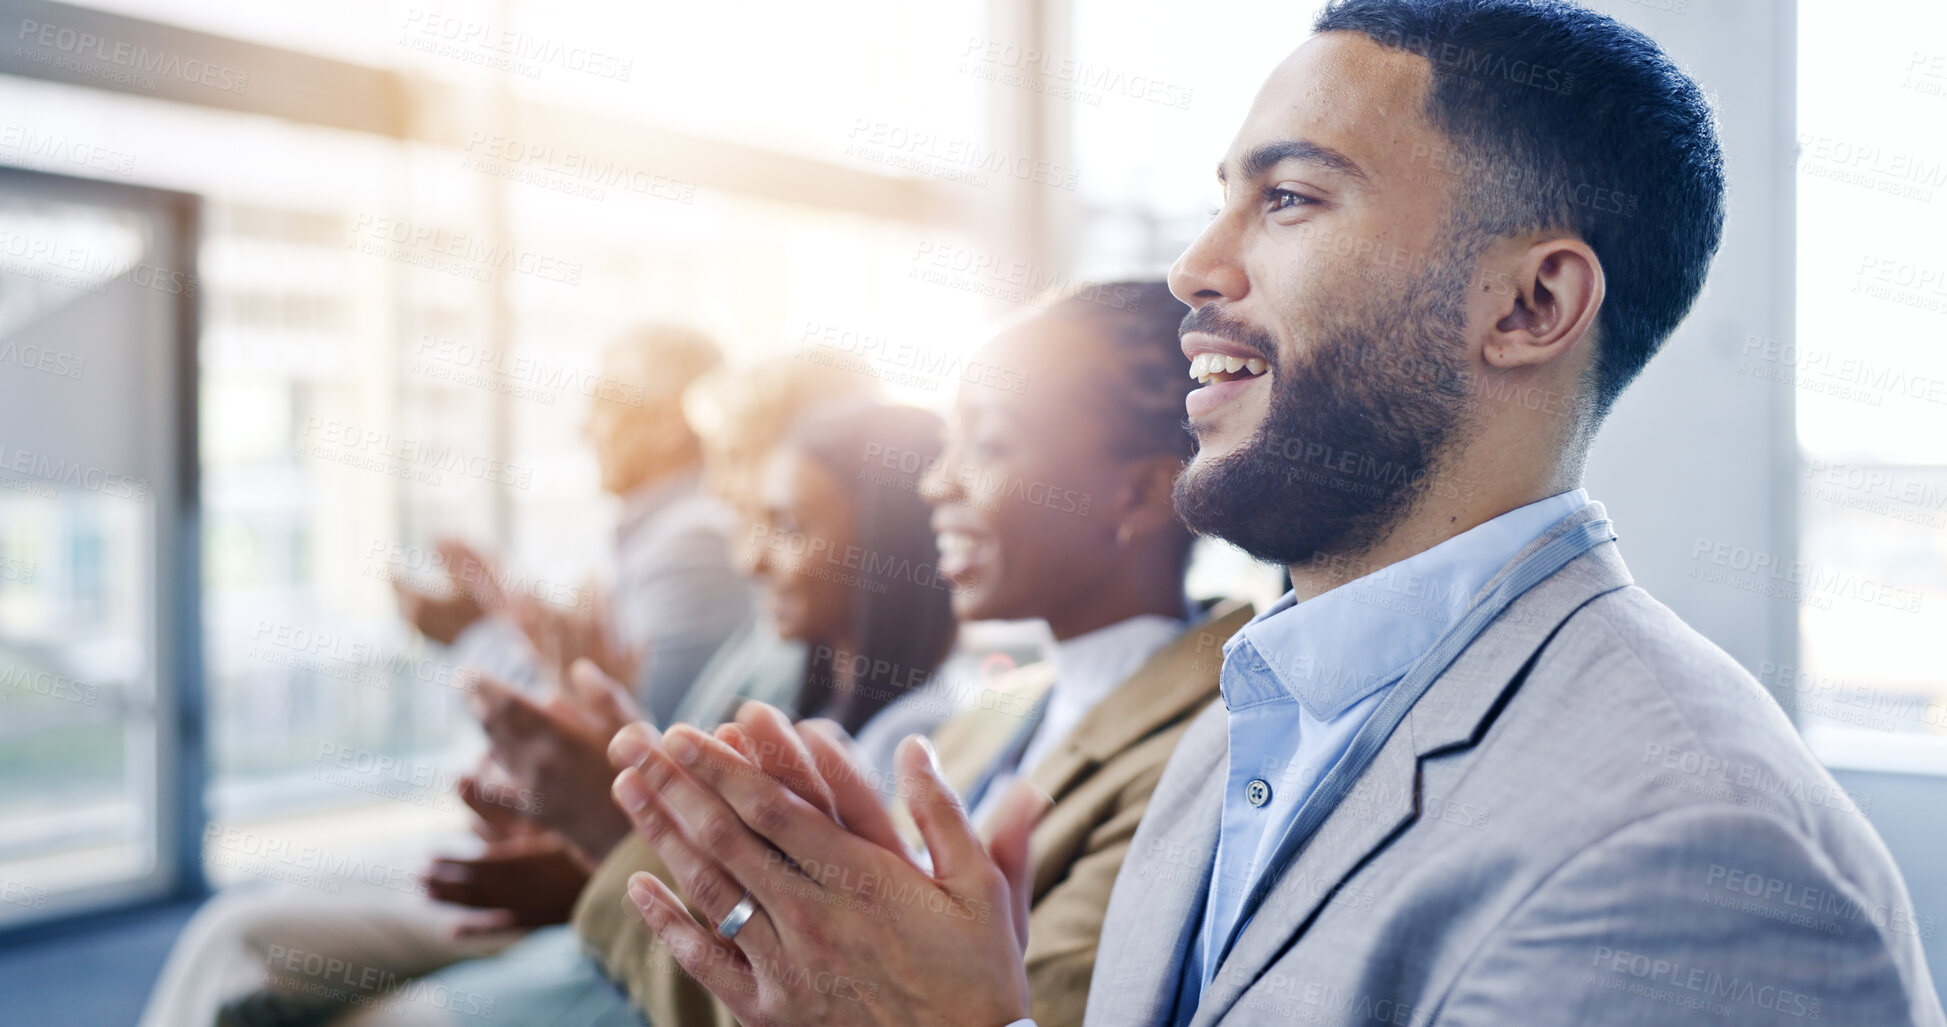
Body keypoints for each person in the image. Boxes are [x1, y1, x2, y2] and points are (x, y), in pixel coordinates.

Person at [602, 3, 1947, 1026]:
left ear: (1528, 306)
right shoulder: (1245, 720)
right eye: (1221, 196)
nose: (1193, 267)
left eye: (1290, 196)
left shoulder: (1693, 854)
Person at [597, 281, 1254, 1027]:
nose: (937, 482)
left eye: (991, 443)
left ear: (1138, 495)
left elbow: (986, 1007)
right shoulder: (1005, 698)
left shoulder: (1215, 747)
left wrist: (612, 830)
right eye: (948, 442)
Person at [324, 399, 958, 1026]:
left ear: (887, 548)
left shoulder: (917, 740)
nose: (749, 559)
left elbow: (798, 948)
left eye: (788, 528)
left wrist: (611, 833)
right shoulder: (797, 680)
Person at [392, 323, 750, 725]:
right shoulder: (666, 537)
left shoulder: (695, 545)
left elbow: (612, 740)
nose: (583, 429)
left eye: (603, 405)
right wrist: (515, 615)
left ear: (667, 425)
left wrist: (474, 633)